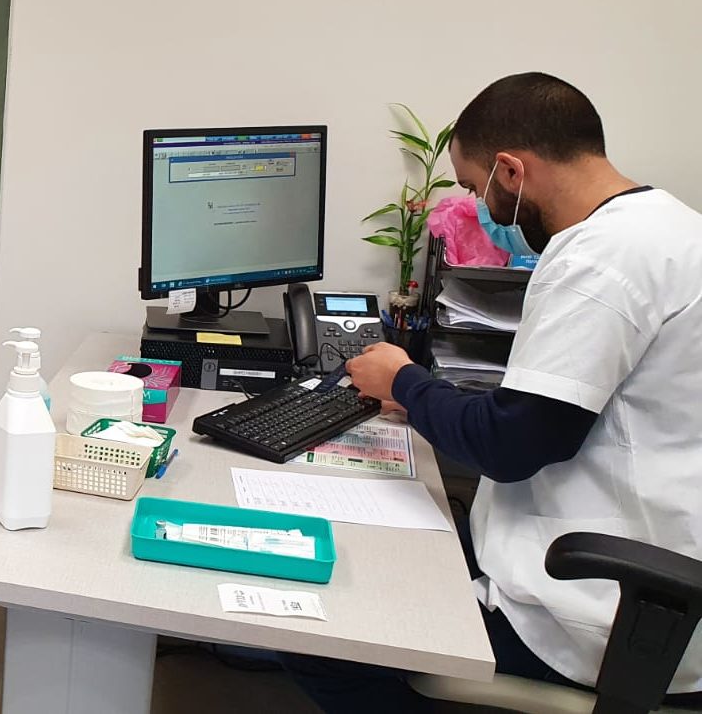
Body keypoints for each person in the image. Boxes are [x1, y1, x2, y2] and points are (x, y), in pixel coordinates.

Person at [285, 73, 702, 711]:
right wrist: (421, 396)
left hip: (603, 610)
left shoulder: (600, 261)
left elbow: (509, 445)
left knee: (318, 629)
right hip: (647, 575)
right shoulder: (668, 228)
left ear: (511, 170)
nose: (478, 206)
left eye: (474, 187)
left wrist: (404, 381)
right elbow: (549, 410)